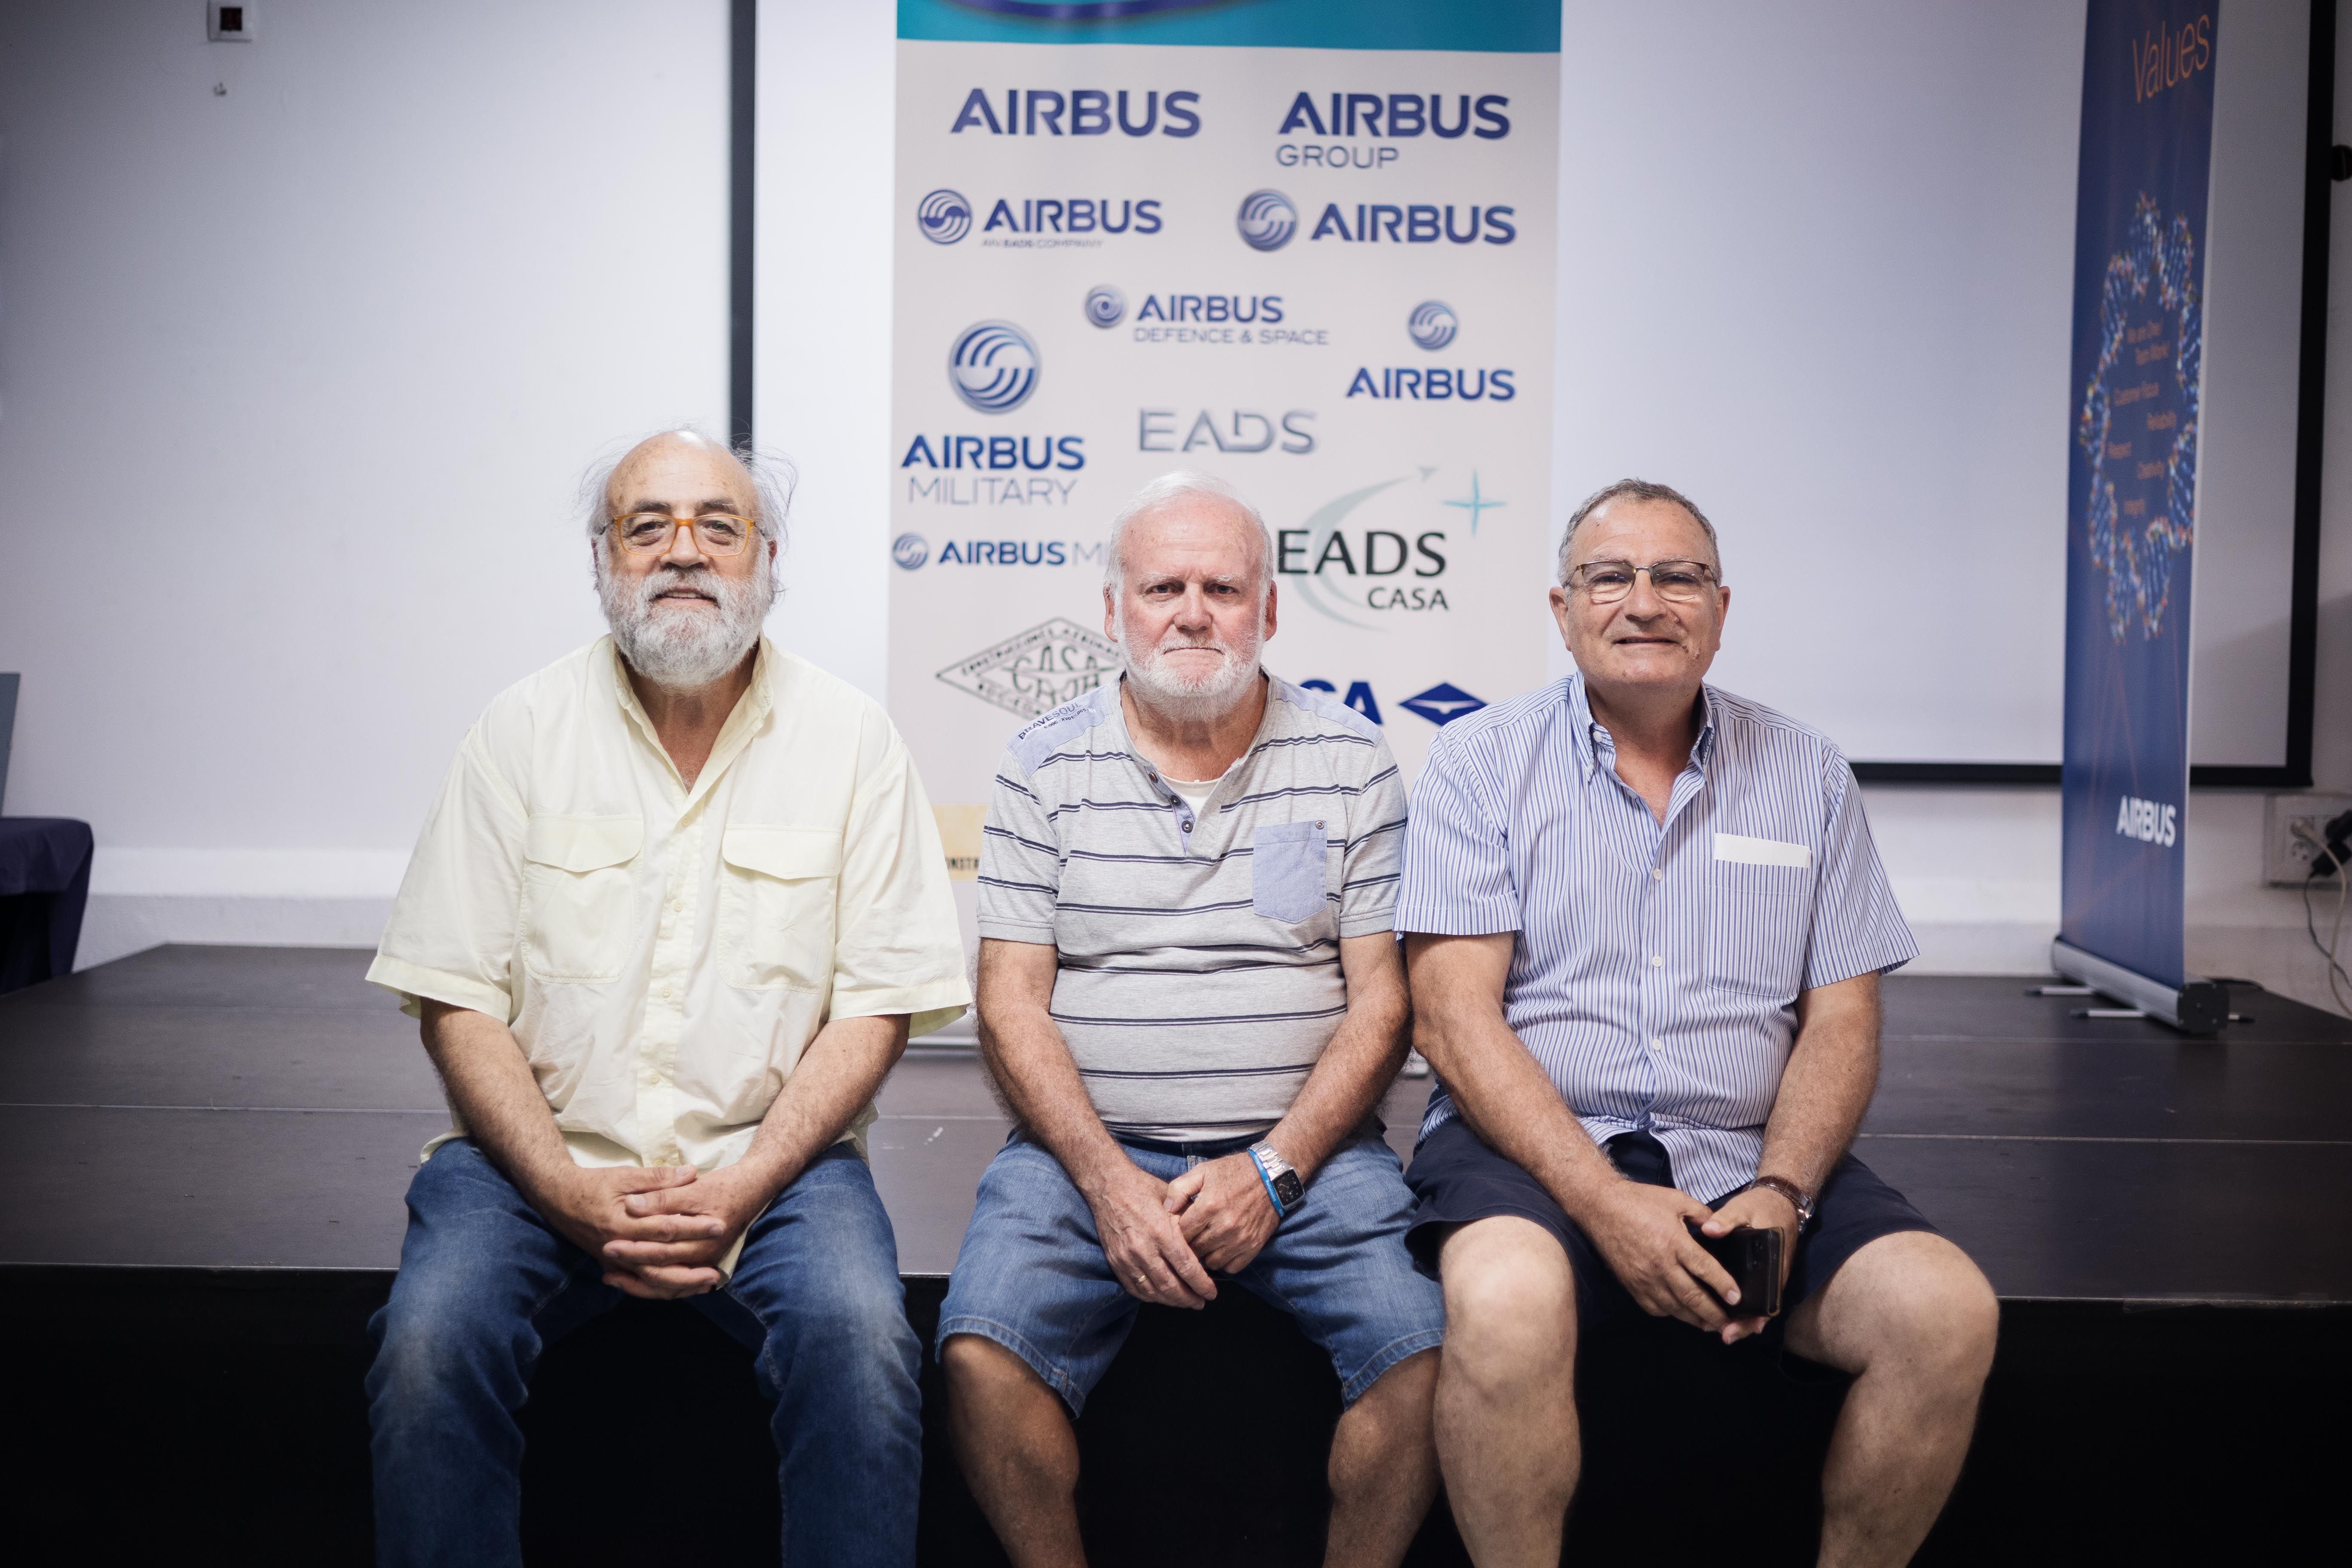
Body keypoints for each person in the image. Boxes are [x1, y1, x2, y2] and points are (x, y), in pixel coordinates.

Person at [362, 429, 969, 1568]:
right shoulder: (516, 735)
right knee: (426, 1348)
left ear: (769, 558)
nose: (683, 552)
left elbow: (876, 1007)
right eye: (648, 527)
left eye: (717, 526)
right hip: (531, 1159)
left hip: (782, 1164)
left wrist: (742, 1185)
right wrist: (560, 1186)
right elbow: (457, 998)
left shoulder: (853, 744)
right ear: (602, 561)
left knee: (863, 1346)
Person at [1399, 479, 1999, 1567]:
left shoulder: (1807, 773)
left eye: (1677, 577)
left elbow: (1843, 1020)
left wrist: (1784, 1188)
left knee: (1943, 1311)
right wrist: (1601, 1200)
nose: (1645, 602)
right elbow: (1451, 1022)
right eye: (1610, 577)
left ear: (1721, 607)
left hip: (1745, 1153)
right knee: (1504, 1299)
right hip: (1531, 1151)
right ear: (1562, 607)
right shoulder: (1478, 765)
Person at [939, 473, 1445, 1568]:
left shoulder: (1352, 759)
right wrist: (1107, 1179)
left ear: (1269, 610)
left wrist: (1274, 1169)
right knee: (981, 1357)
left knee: (1430, 1358)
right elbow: (1011, 1002)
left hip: (1314, 1156)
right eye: (1163, 585)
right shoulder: (1040, 765)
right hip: (1082, 1153)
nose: (1194, 611)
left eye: (1224, 586)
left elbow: (1384, 1003)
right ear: (1114, 609)